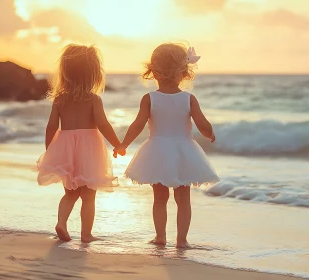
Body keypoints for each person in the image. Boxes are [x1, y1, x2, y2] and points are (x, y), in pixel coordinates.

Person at [113, 43, 219, 248]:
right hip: (183, 152)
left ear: (153, 72)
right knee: (183, 198)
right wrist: (210, 132)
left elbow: (137, 124)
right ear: (184, 72)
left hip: (157, 151)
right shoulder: (189, 99)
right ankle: (181, 240)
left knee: (159, 198)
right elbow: (202, 124)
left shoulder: (149, 98)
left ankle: (160, 237)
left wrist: (123, 144)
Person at [37, 44, 120, 243]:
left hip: (65, 147)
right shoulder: (93, 99)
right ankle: (86, 234)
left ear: (65, 73)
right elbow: (103, 124)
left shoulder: (59, 99)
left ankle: (61, 223)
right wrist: (118, 144)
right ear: (93, 74)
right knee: (89, 196)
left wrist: (51, 151)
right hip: (89, 149)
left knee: (70, 193)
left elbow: (51, 127)